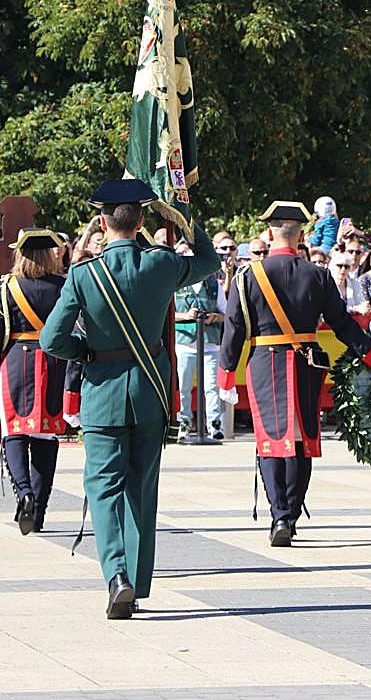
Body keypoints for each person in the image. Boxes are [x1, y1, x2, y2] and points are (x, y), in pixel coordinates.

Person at [40, 179, 220, 619]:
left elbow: (51, 339)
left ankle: (116, 575)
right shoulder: (160, 265)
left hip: (101, 393)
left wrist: (86, 353)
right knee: (141, 487)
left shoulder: (84, 274)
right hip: (150, 393)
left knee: (103, 489)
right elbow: (210, 261)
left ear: (102, 223)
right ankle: (137, 582)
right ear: (141, 221)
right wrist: (181, 215)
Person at [218, 201, 371, 547]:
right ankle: (291, 514)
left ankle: (278, 512)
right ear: (300, 236)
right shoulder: (317, 274)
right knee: (302, 440)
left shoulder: (247, 277)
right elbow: (343, 325)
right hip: (307, 362)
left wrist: (226, 377)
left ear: (269, 234)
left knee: (270, 441)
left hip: (264, 362)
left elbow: (234, 330)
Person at [0, 229, 71, 535]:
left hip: (16, 360)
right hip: (54, 361)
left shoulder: (6, 287)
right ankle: (38, 512)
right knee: (45, 437)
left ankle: (24, 492)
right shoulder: (65, 286)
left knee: (13, 432)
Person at [174, 242, 226, 441]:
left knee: (211, 386)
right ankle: (184, 424)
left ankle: (214, 424)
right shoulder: (177, 285)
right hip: (185, 342)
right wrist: (186, 315)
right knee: (184, 386)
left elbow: (226, 313)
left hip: (210, 341)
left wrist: (213, 316)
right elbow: (169, 315)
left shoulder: (215, 285)